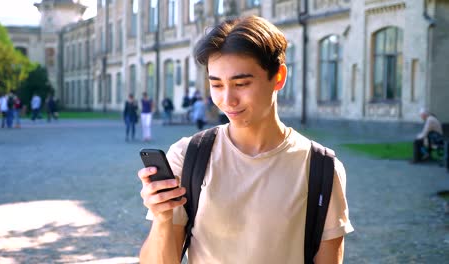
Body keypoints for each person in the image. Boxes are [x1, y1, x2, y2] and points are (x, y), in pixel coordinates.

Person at [138, 16, 353, 263]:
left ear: (279, 77)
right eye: (216, 85)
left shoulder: (322, 168)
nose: (227, 100)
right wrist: (163, 220)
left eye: (241, 83)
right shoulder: (188, 156)